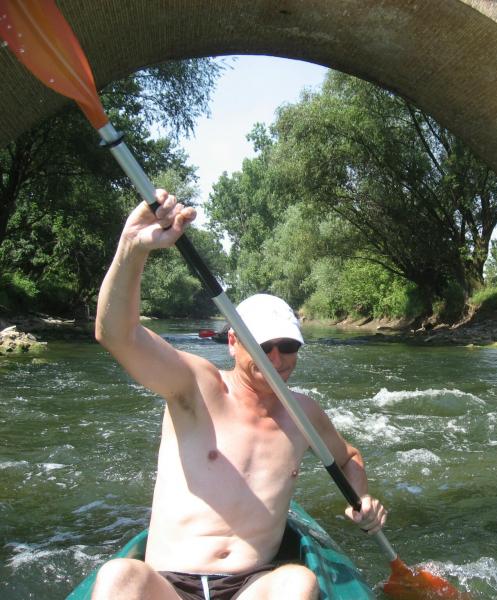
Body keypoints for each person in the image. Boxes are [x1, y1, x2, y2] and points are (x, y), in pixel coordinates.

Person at [92, 190, 387, 600]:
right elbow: (116, 335)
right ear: (233, 342)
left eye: (288, 347)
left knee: (298, 582)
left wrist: (363, 497)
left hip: (248, 585)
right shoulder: (195, 385)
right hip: (169, 583)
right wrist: (132, 247)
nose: (277, 360)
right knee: (118, 576)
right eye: (264, 347)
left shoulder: (303, 414)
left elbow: (348, 457)